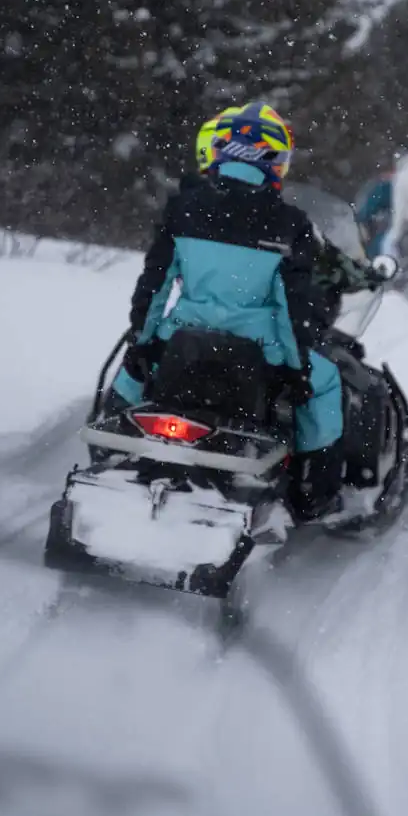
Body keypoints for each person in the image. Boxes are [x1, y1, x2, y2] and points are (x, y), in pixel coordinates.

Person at [111, 101, 346, 520]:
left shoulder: (183, 209)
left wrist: (143, 344)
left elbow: (154, 286)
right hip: (258, 354)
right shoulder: (290, 225)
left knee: (129, 372)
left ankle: (110, 450)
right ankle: (313, 493)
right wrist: (298, 371)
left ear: (220, 150)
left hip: (181, 340)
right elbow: (294, 312)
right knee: (327, 385)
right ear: (275, 160)